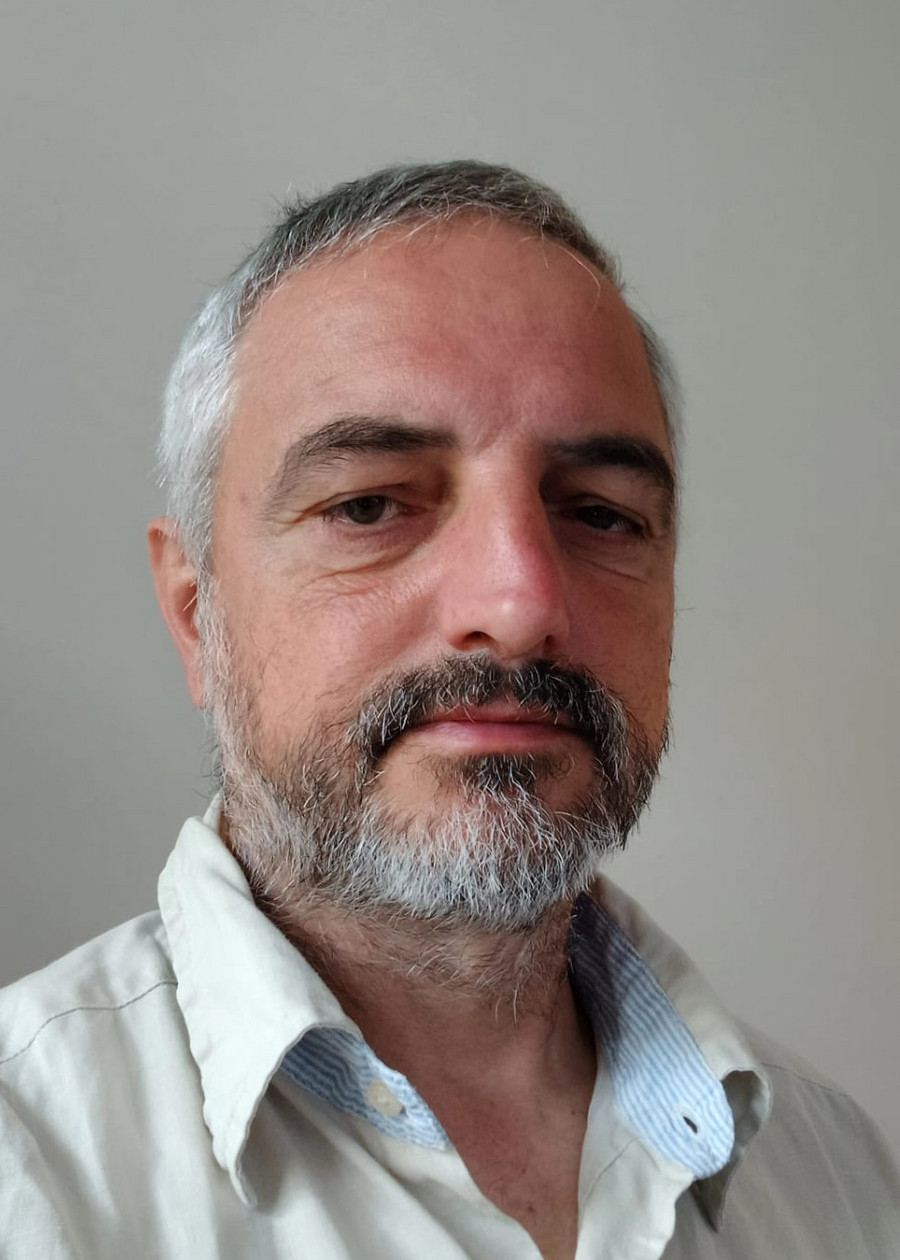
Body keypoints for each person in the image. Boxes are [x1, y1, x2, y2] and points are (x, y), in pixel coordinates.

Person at [0, 161, 896, 1260]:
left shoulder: (839, 1178)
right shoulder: (27, 1169)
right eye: (370, 504)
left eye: (600, 514)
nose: (520, 606)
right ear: (197, 614)